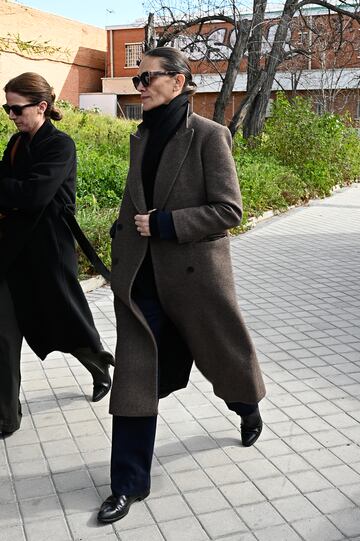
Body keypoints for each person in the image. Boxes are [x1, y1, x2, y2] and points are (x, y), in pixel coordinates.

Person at [97, 47, 266, 524]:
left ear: (178, 81)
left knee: (223, 360)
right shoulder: (141, 138)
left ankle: (246, 407)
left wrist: (167, 224)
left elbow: (229, 211)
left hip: (194, 280)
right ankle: (128, 484)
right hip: (142, 282)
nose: (140, 86)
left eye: (147, 77)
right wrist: (121, 234)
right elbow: (136, 202)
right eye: (137, 79)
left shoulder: (209, 135)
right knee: (135, 379)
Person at [0, 72, 114, 436]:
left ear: (42, 106)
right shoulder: (16, 144)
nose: (11, 115)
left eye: (16, 108)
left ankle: (98, 364)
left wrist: (12, 192)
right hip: (10, 250)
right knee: (2, 335)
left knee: (66, 319)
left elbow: (34, 196)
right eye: (7, 108)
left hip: (49, 249)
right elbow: (16, 190)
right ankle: (7, 416)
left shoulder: (60, 145)